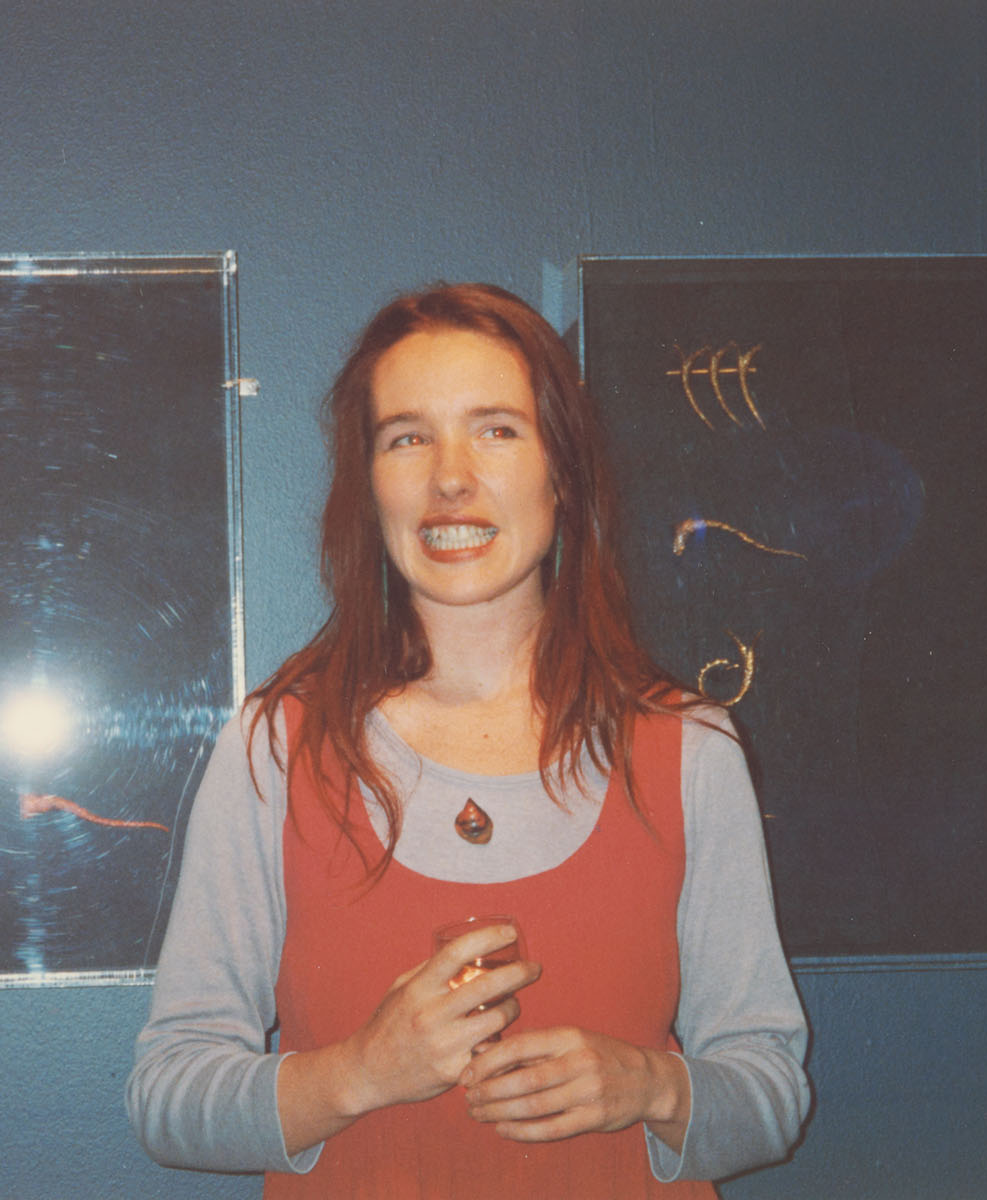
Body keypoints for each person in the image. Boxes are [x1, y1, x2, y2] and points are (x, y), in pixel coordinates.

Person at [127, 283, 809, 1197]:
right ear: (368, 484)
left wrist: (648, 1085)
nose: (451, 477)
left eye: (496, 429)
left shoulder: (689, 749)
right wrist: (361, 1071)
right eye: (407, 437)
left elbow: (770, 1093)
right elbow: (168, 1097)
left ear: (560, 472)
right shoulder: (277, 747)